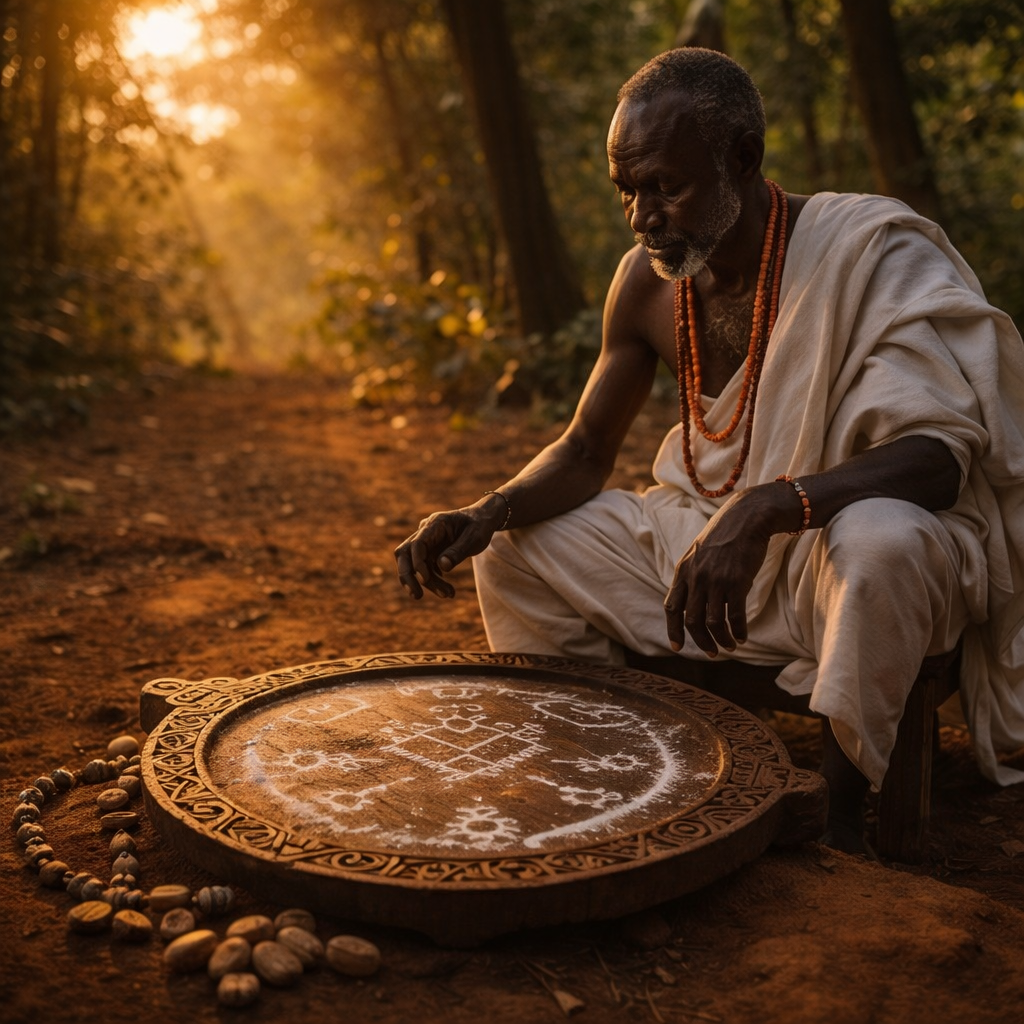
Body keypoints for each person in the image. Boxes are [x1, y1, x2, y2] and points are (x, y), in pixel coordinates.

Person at [394, 48, 1024, 853]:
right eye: (627, 190)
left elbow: (938, 459)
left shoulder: (870, 252)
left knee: (885, 540)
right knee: (516, 548)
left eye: (666, 186)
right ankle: (608, 764)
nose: (642, 216)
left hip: (828, 560)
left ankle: (834, 818)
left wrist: (766, 508)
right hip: (702, 548)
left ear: (743, 159)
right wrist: (488, 511)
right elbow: (585, 450)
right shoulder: (645, 284)